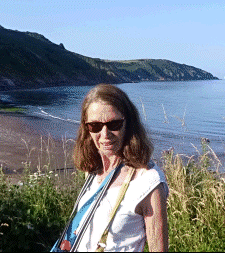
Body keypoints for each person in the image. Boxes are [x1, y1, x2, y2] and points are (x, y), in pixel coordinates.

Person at [52, 84, 168, 252]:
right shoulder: (93, 172)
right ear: (86, 128)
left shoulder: (148, 182)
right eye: (95, 126)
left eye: (114, 124)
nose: (105, 135)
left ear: (128, 123)